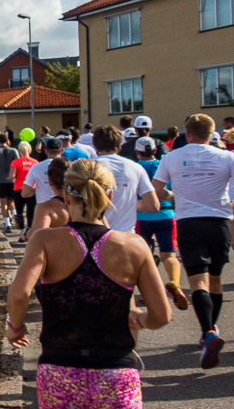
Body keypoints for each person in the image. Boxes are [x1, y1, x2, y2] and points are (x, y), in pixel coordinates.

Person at [6, 158, 171, 409]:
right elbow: (162, 315)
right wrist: (139, 319)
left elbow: (19, 293)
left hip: (58, 372)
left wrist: (15, 326)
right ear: (111, 196)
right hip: (116, 376)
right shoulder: (133, 246)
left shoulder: (45, 241)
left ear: (64, 194)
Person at [153, 114, 234, 368]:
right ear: (212, 135)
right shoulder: (228, 157)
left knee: (197, 280)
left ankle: (208, 331)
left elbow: (156, 191)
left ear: (186, 133)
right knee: (216, 279)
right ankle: (209, 332)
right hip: (219, 221)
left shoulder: (171, 157)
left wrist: (175, 194)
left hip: (188, 222)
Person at [134, 137, 187, 311]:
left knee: (145, 257)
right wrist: (173, 197)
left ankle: (145, 293)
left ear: (136, 152)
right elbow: (166, 192)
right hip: (165, 214)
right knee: (169, 255)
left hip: (142, 217)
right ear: (155, 151)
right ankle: (175, 283)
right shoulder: (163, 165)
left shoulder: (135, 167)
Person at [92, 125, 160, 235]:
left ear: (94, 145)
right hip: (126, 237)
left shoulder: (86, 167)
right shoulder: (135, 167)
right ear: (120, 145)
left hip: (95, 236)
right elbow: (153, 205)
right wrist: (128, 203)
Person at [27, 157, 72, 236]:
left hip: (58, 247)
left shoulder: (45, 207)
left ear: (50, 181)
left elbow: (37, 235)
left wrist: (26, 234)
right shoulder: (87, 203)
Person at [22, 136, 65, 208]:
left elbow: (25, 193)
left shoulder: (36, 168)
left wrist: (39, 189)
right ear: (62, 150)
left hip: (44, 207)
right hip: (64, 207)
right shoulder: (69, 166)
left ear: (45, 150)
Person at [0, 133, 19, 231]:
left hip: (1, 180)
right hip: (12, 180)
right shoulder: (14, 151)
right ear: (7, 140)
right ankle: (16, 216)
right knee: (11, 202)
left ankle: (8, 224)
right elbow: (18, 163)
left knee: (3, 204)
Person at [11, 141, 38, 236]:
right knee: (31, 213)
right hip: (32, 189)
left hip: (18, 189)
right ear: (29, 150)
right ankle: (30, 231)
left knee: (19, 211)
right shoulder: (35, 162)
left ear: (19, 150)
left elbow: (12, 176)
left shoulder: (15, 162)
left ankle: (21, 230)